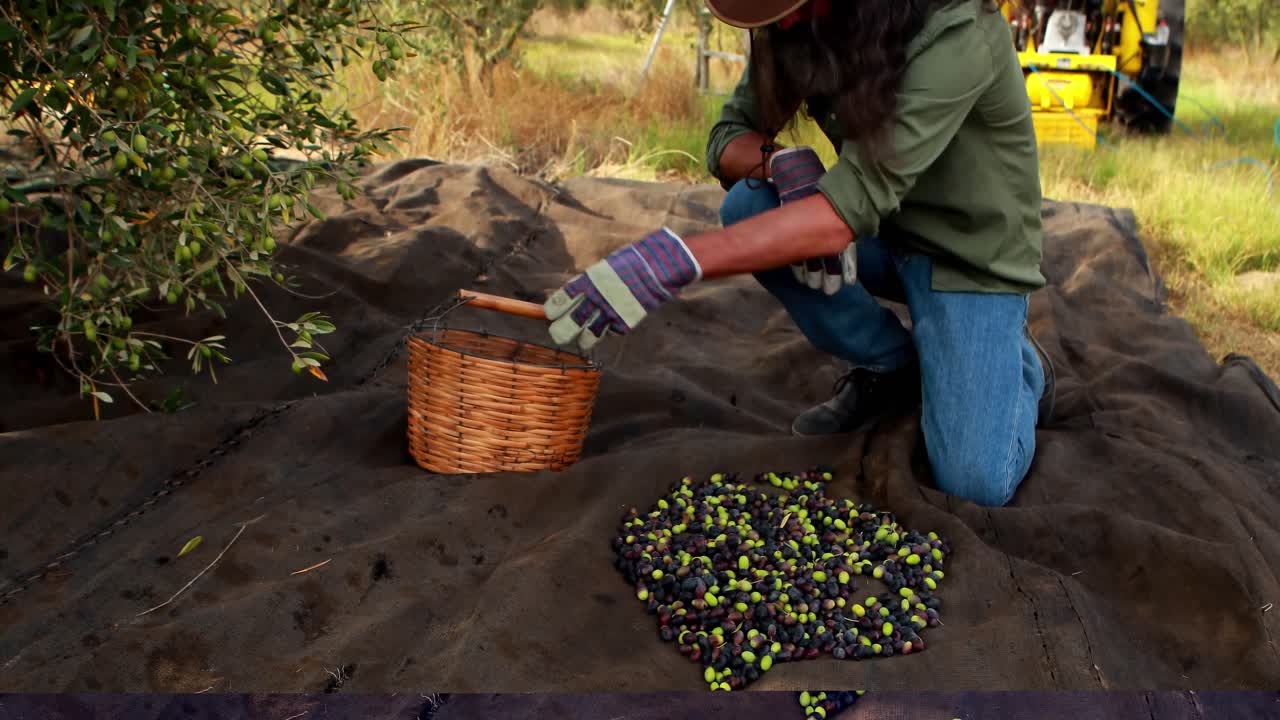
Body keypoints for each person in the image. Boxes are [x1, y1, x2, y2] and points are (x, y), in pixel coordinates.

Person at [542, 0, 1055, 508]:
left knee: (975, 482)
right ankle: (894, 369)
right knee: (749, 206)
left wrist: (679, 258)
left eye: (789, 8)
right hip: (876, 232)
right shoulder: (794, 24)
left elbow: (845, 211)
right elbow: (725, 139)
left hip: (965, 257)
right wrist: (782, 162)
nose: (781, 24)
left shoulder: (955, 26)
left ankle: (1021, 366)